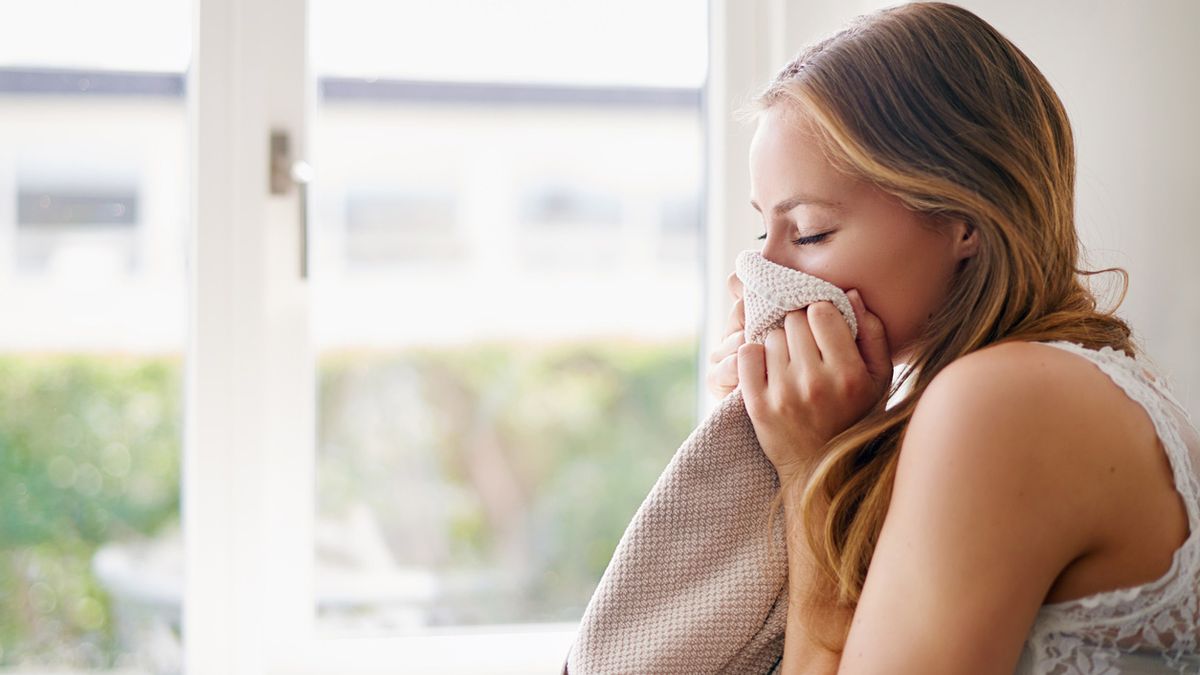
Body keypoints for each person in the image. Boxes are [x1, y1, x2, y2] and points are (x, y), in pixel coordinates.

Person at [704, 2, 1200, 673]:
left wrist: (805, 472)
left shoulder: (1003, 399)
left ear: (963, 219)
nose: (768, 273)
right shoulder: (1047, 383)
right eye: (765, 231)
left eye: (812, 231)